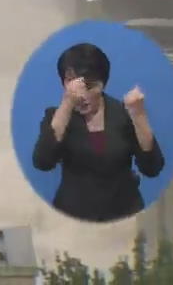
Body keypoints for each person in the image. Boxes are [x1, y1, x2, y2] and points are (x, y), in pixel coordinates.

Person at [32, 42, 164, 222]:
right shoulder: (57, 117)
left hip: (124, 214)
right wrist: (67, 103)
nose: (83, 96)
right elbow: (43, 162)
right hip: (72, 216)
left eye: (91, 86)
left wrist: (139, 115)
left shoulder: (125, 113)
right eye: (74, 86)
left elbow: (152, 167)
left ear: (103, 84)